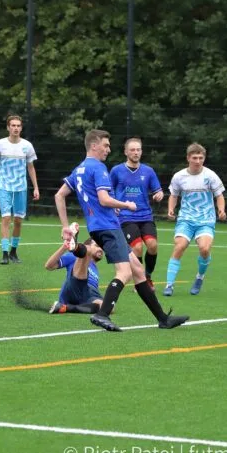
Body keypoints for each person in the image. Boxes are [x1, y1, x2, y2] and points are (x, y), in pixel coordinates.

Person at [54, 129, 189, 332]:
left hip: (99, 227)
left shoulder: (79, 169)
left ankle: (163, 318)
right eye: (106, 145)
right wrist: (126, 205)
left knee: (137, 269)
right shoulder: (98, 168)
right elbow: (104, 199)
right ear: (93, 145)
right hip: (108, 227)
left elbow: (59, 195)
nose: (109, 149)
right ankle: (102, 314)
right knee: (124, 272)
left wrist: (65, 226)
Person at [163, 143, 226, 297]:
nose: (198, 161)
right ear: (188, 158)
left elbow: (219, 195)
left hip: (205, 220)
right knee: (179, 246)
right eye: (195, 158)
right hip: (186, 219)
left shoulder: (210, 176)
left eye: (201, 158)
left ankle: (199, 278)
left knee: (204, 249)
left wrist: (221, 210)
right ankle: (169, 285)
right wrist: (171, 209)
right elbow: (174, 195)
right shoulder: (179, 176)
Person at [109, 137, 163, 291]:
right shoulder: (116, 171)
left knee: (152, 246)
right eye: (132, 149)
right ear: (126, 152)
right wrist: (114, 205)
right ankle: (140, 282)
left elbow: (157, 190)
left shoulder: (148, 171)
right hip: (125, 216)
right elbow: (107, 190)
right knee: (137, 248)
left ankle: (147, 276)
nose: (136, 152)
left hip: (145, 215)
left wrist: (159, 195)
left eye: (138, 149)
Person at [0, 115, 40, 265]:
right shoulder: (0, 144)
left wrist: (36, 187)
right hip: (4, 187)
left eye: (18, 126)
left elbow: (31, 167)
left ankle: (13, 252)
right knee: (6, 218)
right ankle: (4, 254)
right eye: (13, 125)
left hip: (21, 188)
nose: (16, 128)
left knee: (18, 221)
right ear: (8, 127)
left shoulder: (27, 146)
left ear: (21, 128)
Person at [44, 227, 104, 315]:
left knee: (107, 307)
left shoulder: (95, 268)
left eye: (102, 247)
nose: (101, 249)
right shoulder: (74, 257)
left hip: (88, 294)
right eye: (97, 246)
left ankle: (65, 308)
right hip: (75, 287)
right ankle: (75, 245)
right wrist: (64, 247)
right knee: (87, 252)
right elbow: (49, 266)